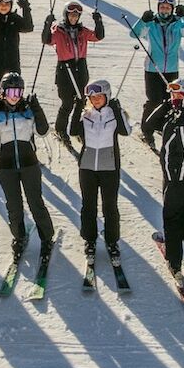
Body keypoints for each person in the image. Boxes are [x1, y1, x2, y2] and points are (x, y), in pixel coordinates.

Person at [0, 72, 53, 265]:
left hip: (29, 165)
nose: (14, 96)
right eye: (10, 91)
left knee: (35, 201)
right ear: (2, 92)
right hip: (6, 167)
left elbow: (43, 131)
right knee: (13, 205)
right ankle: (18, 237)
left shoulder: (27, 110)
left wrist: (37, 109)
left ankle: (46, 238)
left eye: (18, 91)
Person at [148, 78, 184, 280]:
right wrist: (165, 106)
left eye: (178, 96)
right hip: (173, 173)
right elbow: (149, 124)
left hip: (180, 176)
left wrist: (181, 119)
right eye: (172, 95)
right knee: (183, 213)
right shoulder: (173, 114)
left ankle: (174, 261)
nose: (174, 99)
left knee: (172, 216)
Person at [75, 79, 130, 265]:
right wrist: (76, 109)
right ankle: (89, 240)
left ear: (107, 95)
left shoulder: (114, 114)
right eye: (92, 97)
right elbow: (70, 130)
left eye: (99, 96)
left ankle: (112, 241)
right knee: (88, 205)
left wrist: (117, 110)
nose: (95, 100)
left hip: (109, 168)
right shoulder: (86, 113)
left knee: (110, 207)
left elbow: (126, 132)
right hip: (87, 167)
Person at [131, 0, 184, 143]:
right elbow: (133, 34)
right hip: (153, 70)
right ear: (158, 8)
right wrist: (142, 20)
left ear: (172, 9)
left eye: (168, 7)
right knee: (154, 101)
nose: (164, 10)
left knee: (170, 101)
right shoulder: (150, 24)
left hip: (172, 69)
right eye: (162, 7)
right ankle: (147, 131)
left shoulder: (178, 24)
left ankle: (162, 126)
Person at [45, 1, 106, 145]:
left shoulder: (82, 31)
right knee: (67, 103)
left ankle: (75, 129)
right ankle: (60, 129)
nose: (73, 18)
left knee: (81, 101)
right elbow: (47, 40)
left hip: (81, 68)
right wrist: (47, 25)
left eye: (76, 16)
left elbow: (98, 36)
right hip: (65, 68)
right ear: (66, 15)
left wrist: (98, 21)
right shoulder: (58, 30)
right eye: (71, 15)